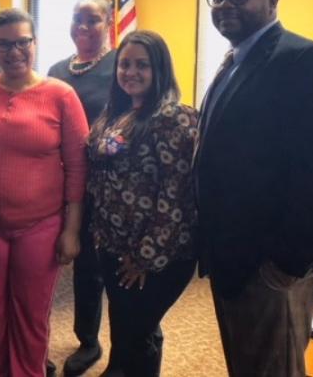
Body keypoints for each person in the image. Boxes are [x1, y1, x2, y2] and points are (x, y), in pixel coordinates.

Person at [194, 0, 313, 377]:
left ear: (272, 1)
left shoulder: (307, 60)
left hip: (273, 264)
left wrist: (287, 263)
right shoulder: (235, 61)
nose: (226, 4)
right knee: (248, 364)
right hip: (232, 255)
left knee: (273, 368)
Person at [0, 8, 89, 377]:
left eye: (22, 42)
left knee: (31, 316)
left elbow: (78, 167)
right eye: (4, 44)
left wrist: (71, 230)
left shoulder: (61, 95)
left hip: (41, 226)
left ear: (35, 43)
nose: (14, 51)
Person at [87, 30, 197, 377]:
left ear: (160, 69)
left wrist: (144, 257)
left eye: (142, 65)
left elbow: (176, 197)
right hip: (113, 245)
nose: (130, 72)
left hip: (156, 256)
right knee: (128, 324)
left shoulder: (175, 120)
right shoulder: (115, 112)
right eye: (124, 64)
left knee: (138, 331)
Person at [48, 0, 117, 376]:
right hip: (58, 179)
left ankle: (89, 341)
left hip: (104, 184)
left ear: (108, 24)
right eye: (77, 19)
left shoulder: (120, 66)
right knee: (51, 260)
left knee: (92, 266)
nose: (83, 27)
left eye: (92, 20)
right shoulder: (58, 69)